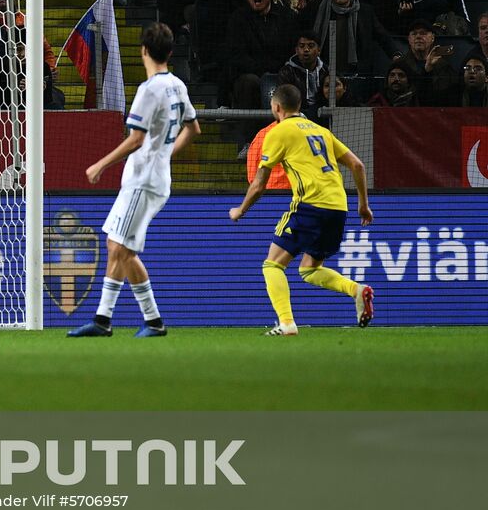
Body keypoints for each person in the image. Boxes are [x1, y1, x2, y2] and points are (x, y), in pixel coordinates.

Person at [69, 23, 199, 338]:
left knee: (119, 246)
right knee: (120, 246)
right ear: (169, 53)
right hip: (151, 177)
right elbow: (193, 130)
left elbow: (136, 139)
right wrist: (166, 154)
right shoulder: (178, 86)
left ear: (142, 50)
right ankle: (138, 320)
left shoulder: (149, 89)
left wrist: (100, 164)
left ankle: (116, 320)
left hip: (143, 180)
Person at [229, 83, 374, 336]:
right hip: (338, 207)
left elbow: (259, 183)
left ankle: (286, 323)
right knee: (309, 269)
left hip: (311, 203)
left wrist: (240, 210)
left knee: (272, 265)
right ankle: (356, 290)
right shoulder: (321, 131)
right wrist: (363, 205)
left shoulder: (279, 132)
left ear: (276, 107)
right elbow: (358, 165)